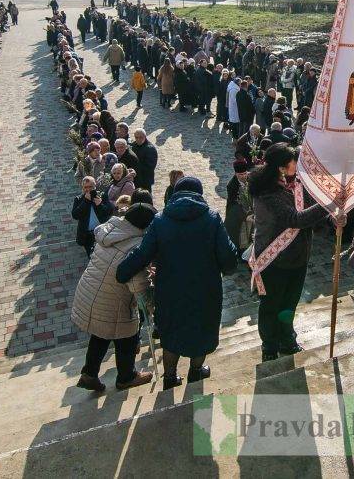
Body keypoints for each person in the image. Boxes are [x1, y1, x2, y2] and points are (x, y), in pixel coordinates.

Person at [116, 177, 238, 389]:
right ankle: (196, 371)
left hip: (170, 290)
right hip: (205, 290)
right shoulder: (212, 218)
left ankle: (170, 377)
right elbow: (228, 259)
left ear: (174, 195)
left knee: (171, 332)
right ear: (200, 195)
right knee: (202, 329)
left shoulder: (161, 220)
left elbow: (142, 253)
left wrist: (123, 271)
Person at [248, 144, 331, 361]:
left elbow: (312, 214)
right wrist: (327, 204)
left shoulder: (293, 186)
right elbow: (296, 219)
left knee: (289, 303)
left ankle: (287, 339)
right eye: (295, 160)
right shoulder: (268, 193)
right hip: (275, 260)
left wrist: (331, 214)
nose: (299, 163)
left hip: (298, 258)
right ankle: (269, 346)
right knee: (271, 305)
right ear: (282, 167)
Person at [71, 204, 156, 392]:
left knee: (101, 333)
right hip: (114, 299)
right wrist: (151, 305)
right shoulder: (135, 246)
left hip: (90, 292)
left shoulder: (110, 230)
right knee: (127, 334)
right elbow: (137, 284)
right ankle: (127, 376)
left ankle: (90, 373)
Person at [72, 176, 116, 256]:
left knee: (104, 255)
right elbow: (75, 215)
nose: (88, 189)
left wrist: (100, 205)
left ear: (95, 186)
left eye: (90, 187)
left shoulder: (102, 196)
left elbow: (109, 212)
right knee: (91, 256)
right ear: (82, 188)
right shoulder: (78, 199)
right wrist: (85, 201)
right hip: (87, 235)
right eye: (86, 187)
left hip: (102, 232)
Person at [224, 160, 253, 252]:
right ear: (236, 173)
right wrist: (245, 215)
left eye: (245, 173)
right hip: (239, 214)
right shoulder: (231, 185)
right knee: (241, 235)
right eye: (240, 175)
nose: (244, 176)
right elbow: (234, 203)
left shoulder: (251, 178)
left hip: (251, 213)